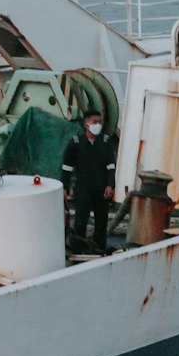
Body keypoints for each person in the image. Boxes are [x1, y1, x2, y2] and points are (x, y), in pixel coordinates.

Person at [61, 108, 117, 252]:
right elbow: (67, 168)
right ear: (86, 124)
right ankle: (78, 249)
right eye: (95, 122)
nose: (98, 124)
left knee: (101, 221)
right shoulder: (76, 143)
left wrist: (110, 185)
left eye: (99, 122)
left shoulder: (105, 142)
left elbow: (111, 166)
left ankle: (99, 249)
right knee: (80, 220)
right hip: (83, 189)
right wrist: (64, 188)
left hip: (101, 189)